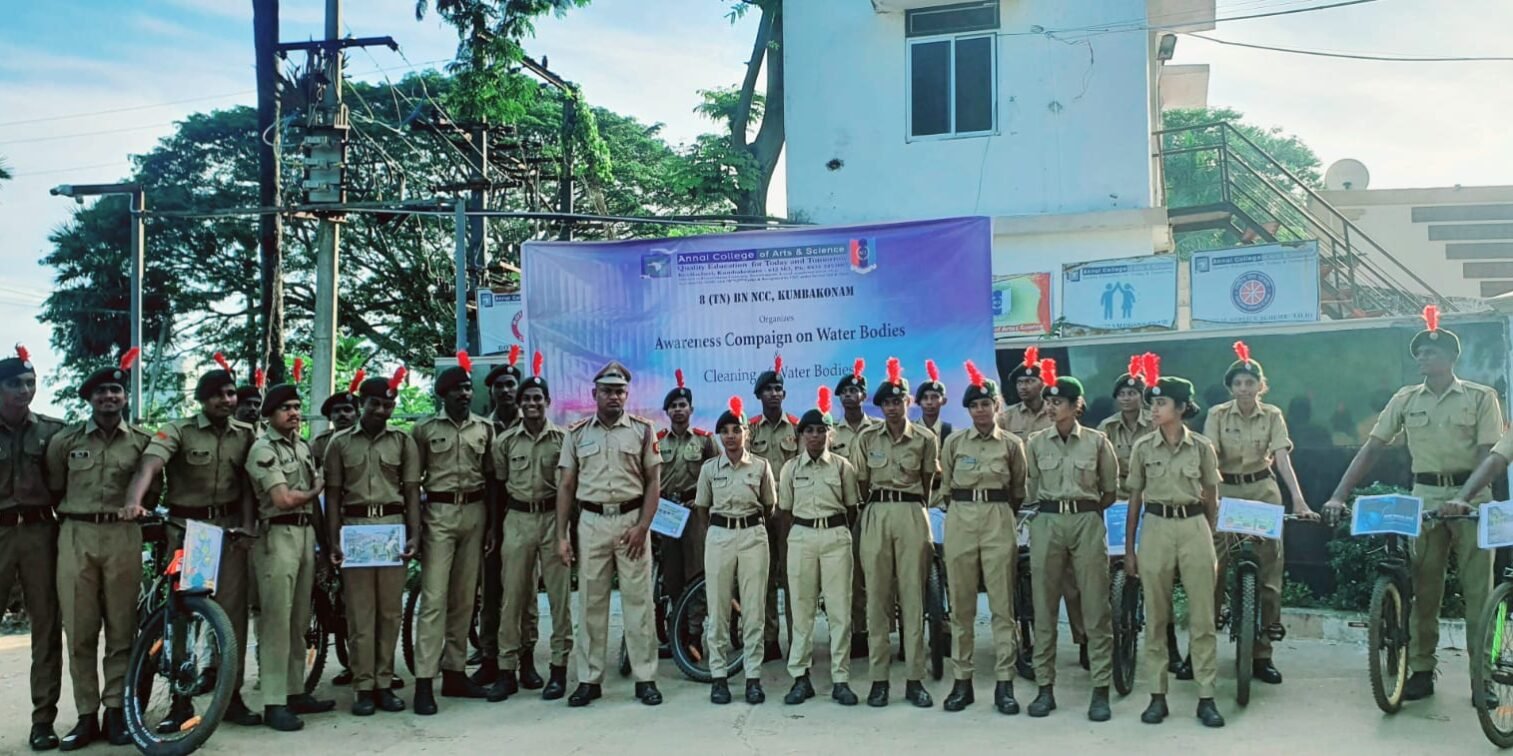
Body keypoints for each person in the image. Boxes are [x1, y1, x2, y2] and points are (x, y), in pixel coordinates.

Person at [1324, 306, 1501, 703]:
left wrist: (1464, 498)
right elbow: (1371, 448)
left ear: (1452, 359)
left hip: (1472, 500)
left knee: (1479, 594)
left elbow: (1492, 455)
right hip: (1425, 499)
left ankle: (1482, 678)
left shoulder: (1480, 397)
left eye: (1431, 353)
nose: (1423, 357)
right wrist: (1338, 494)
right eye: (1419, 352)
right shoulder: (1405, 399)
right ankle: (1421, 670)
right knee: (1423, 589)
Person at [122, 352, 262, 730]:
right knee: (180, 617)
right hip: (186, 532)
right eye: (217, 395)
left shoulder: (247, 434)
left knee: (232, 618)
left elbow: (250, 485)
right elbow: (150, 464)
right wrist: (134, 501)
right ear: (202, 399)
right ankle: (179, 704)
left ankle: (231, 698)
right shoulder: (178, 429)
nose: (227, 401)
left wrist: (249, 527)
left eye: (231, 393)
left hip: (229, 534)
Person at [46, 348, 156, 749]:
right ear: (89, 399)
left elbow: (152, 488)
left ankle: (116, 713)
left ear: (125, 397)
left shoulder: (143, 442)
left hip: (124, 537)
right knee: (79, 631)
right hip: (76, 536)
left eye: (115, 390)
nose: (109, 397)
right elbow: (56, 487)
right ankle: (85, 716)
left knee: (122, 631)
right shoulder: (65, 442)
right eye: (101, 392)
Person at [1200, 342, 1316, 686]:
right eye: (1238, 384)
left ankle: (1263, 651)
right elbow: (1210, 457)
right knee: (1214, 566)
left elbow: (1281, 458)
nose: (1244, 389)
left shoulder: (1273, 415)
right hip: (1226, 490)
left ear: (1260, 386)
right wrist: (1207, 500)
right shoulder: (1217, 415)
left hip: (1262, 489)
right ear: (1231, 388)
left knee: (1268, 569)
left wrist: (1299, 500)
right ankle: (1203, 649)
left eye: (1250, 383)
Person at [1123, 355, 1226, 728]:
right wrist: (1130, 549)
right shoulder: (1142, 448)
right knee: (1156, 618)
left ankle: (1206, 696)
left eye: (1161, 403)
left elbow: (1212, 495)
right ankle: (1157, 696)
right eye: (1152, 403)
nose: (1154, 409)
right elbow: (1135, 499)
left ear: (1181, 408)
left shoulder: (1201, 447)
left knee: (1202, 617)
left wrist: (1209, 536)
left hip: (1194, 526)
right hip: (1156, 526)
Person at [555, 361, 663, 707]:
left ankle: (645, 677)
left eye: (619, 391)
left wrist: (642, 527)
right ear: (594, 394)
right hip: (591, 522)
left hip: (632, 521)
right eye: (607, 391)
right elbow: (567, 486)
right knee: (590, 601)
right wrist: (562, 534)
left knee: (639, 602)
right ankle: (589, 679)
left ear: (627, 395)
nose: (614, 396)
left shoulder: (644, 431)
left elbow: (653, 484)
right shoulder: (576, 434)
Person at [1022, 361, 1118, 722]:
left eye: (1058, 401)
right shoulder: (1034, 443)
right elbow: (1030, 488)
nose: (1050, 407)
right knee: (1044, 607)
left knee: (1095, 607)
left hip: (1086, 520)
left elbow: (1109, 490)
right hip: (1046, 520)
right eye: (1048, 401)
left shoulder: (1097, 442)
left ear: (1077, 405)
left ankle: (1100, 690)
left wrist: (1081, 509)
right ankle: (1045, 689)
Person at [324, 368, 422, 716]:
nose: (382, 411)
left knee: (390, 611)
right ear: (362, 403)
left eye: (388, 405)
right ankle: (363, 686)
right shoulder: (339, 443)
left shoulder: (403, 441)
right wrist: (334, 540)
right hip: (355, 529)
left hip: (392, 528)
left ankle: (384, 681)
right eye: (375, 404)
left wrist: (414, 534)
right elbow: (333, 495)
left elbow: (411, 491)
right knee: (360, 613)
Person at [244, 377, 336, 731]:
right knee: (276, 622)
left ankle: (296, 690)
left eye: (297, 407)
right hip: (277, 534)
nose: (295, 413)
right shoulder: (263, 449)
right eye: (287, 408)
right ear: (269, 415)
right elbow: (282, 498)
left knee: (299, 620)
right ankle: (273, 701)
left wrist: (324, 548)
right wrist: (315, 490)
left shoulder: (301, 448)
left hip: (303, 534)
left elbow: (309, 503)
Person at [936, 360, 1025, 715]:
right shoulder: (955, 442)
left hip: (998, 518)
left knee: (1003, 606)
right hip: (960, 519)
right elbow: (945, 489)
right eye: (974, 405)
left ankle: (1005, 683)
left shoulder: (1013, 445)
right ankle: (963, 682)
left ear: (996, 406)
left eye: (986, 404)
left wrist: (1000, 515)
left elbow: (1018, 489)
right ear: (969, 410)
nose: (980, 410)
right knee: (962, 607)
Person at [410, 352, 494, 714]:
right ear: (442, 395)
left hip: (474, 514)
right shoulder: (424, 430)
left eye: (466, 388)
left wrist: (490, 525)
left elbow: (491, 479)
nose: (464, 394)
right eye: (456, 389)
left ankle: (455, 672)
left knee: (464, 599)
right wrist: (415, 530)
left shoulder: (484, 429)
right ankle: (425, 681)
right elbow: (413, 484)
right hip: (439, 515)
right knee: (433, 600)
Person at [852, 357, 939, 708]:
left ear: (909, 402)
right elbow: (860, 481)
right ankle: (879, 680)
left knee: (913, 598)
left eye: (898, 401)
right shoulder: (866, 438)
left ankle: (915, 679)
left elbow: (929, 482)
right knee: (876, 598)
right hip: (875, 512)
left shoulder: (925, 438)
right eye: (886, 402)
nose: (892, 407)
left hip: (911, 512)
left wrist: (915, 509)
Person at [488, 353, 572, 702]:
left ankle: (558, 668)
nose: (532, 404)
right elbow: (497, 488)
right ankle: (507, 669)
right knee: (514, 598)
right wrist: (496, 529)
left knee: (559, 598)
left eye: (538, 398)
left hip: (554, 519)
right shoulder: (505, 442)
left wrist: (570, 533)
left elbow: (572, 488)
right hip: (518, 520)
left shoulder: (564, 439)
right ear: (520, 405)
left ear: (548, 402)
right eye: (527, 399)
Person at [997, 348, 1087, 666]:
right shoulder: (1006, 417)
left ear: (1043, 383)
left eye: (1030, 380)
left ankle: (1083, 638)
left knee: (1072, 581)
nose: (1024, 386)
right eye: (1019, 381)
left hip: (1059, 504)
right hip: (1021, 505)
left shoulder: (1061, 413)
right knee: (1030, 578)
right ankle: (1030, 643)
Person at [779, 386, 863, 706]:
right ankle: (800, 678)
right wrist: (796, 540)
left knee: (840, 610)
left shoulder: (843, 467)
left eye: (821, 430)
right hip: (801, 537)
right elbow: (784, 511)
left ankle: (840, 678)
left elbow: (852, 508)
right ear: (800, 435)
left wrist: (834, 531)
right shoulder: (790, 469)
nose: (815, 436)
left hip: (835, 537)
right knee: (802, 610)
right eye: (809, 431)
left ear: (830, 434)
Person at [0, 345, 65, 751]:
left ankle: (43, 720)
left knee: (45, 628)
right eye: (14, 384)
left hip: (42, 534)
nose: (25, 390)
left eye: (30, 382)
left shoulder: (53, 431)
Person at [695, 397, 777, 705]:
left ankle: (753, 677)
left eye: (736, 429)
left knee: (753, 610)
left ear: (747, 433)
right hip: (719, 536)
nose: (731, 436)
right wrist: (721, 530)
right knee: (717, 609)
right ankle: (719, 677)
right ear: (718, 436)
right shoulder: (709, 469)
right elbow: (702, 509)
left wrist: (747, 527)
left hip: (753, 536)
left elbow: (770, 506)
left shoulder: (761, 467)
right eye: (725, 431)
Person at [474, 346, 540, 688]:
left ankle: (526, 659)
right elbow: (489, 482)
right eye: (499, 385)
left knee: (525, 592)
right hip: (491, 519)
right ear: (492, 390)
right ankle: (490, 658)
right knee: (492, 593)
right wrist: (490, 526)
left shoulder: (530, 425)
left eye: (510, 384)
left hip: (522, 517)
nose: (505, 390)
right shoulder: (483, 429)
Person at [657, 369, 716, 650]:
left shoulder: (705, 441)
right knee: (672, 575)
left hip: (694, 512)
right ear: (666, 411)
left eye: (683, 405)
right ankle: (676, 634)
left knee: (697, 571)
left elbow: (718, 474)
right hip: (667, 513)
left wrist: (703, 500)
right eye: (673, 406)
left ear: (691, 409)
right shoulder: (657, 440)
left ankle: (694, 633)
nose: (678, 409)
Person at [748, 355, 799, 663]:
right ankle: (770, 640)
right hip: (762, 514)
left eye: (778, 388)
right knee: (764, 577)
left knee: (793, 577)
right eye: (768, 389)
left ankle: (797, 639)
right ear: (759, 395)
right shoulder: (749, 430)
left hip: (791, 516)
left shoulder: (797, 427)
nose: (774, 393)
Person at [830, 359, 874, 660]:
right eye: (844, 391)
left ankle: (883, 630)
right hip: (846, 512)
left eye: (854, 390)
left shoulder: (879, 430)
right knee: (853, 576)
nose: (849, 395)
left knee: (881, 573)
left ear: (864, 396)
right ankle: (858, 632)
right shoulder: (830, 433)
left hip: (877, 507)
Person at [915, 360, 952, 441]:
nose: (929, 402)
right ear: (919, 401)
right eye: (925, 398)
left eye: (934, 397)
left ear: (944, 401)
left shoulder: (951, 433)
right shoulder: (910, 430)